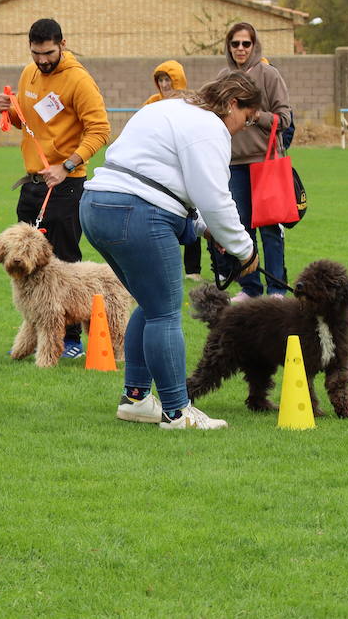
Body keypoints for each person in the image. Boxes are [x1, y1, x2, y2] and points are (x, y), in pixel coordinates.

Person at [81, 73, 263, 430]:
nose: (245, 127)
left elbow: (163, 181)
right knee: (164, 313)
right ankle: (177, 412)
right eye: (248, 117)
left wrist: (202, 227)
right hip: (137, 213)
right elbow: (214, 198)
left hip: (96, 204)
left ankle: (135, 399)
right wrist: (245, 250)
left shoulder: (170, 108)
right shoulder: (210, 128)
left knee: (149, 305)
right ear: (231, 104)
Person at [0, 18, 110, 358]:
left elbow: (100, 130)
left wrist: (68, 165)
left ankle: (70, 338)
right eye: (36, 53)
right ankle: (35, 333)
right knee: (25, 261)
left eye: (48, 53)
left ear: (62, 44)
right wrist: (8, 112)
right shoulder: (28, 74)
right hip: (32, 183)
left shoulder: (79, 80)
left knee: (63, 260)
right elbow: (28, 121)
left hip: (66, 183)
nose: (42, 60)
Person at [218, 22, 293, 301]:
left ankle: (276, 289)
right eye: (235, 44)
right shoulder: (224, 77)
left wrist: (254, 115)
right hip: (234, 164)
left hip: (265, 163)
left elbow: (284, 119)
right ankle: (250, 288)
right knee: (241, 229)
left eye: (245, 44)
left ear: (254, 45)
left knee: (271, 229)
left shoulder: (269, 74)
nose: (240, 49)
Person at [143, 61, 203, 282]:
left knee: (191, 213)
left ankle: (193, 269)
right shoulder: (151, 104)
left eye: (168, 79)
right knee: (159, 215)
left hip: (184, 166)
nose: (164, 84)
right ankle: (163, 265)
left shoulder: (190, 104)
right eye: (161, 80)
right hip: (159, 168)